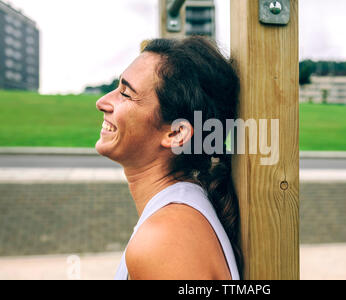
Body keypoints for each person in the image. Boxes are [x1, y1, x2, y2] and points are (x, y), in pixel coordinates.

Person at [95, 37, 243, 280]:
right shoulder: (176, 219)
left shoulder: (165, 238)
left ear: (175, 133)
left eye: (126, 93)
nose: (102, 102)